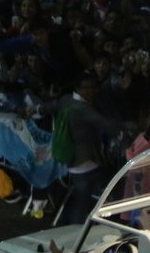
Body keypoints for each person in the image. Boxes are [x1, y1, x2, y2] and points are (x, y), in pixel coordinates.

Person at [38, 76, 122, 225]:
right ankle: (79, 229)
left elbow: (48, 107)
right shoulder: (82, 109)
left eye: (91, 87)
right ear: (78, 88)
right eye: (86, 87)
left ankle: (77, 226)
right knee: (84, 200)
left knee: (81, 199)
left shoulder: (67, 100)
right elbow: (106, 125)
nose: (90, 91)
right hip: (85, 161)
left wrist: (35, 109)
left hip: (73, 160)